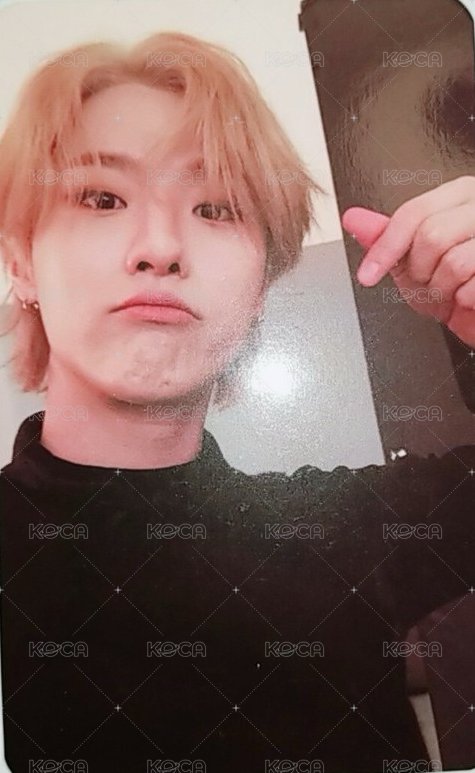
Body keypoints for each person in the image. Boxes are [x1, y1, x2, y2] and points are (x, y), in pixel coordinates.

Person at [0, 29, 474, 773]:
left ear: (260, 288)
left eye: (216, 207)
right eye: (102, 197)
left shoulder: (347, 530)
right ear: (21, 260)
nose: (160, 247)